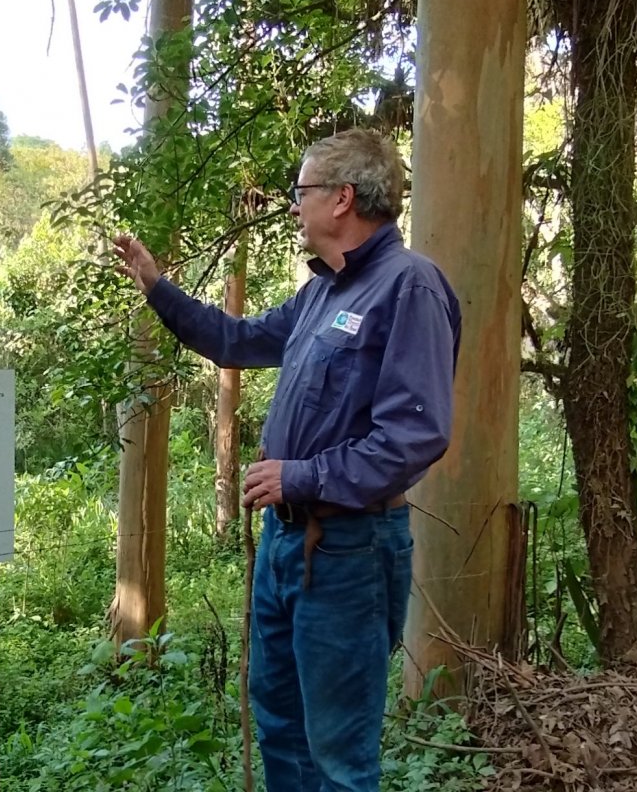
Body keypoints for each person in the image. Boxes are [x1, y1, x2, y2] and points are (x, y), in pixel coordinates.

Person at [113, 128, 460, 792]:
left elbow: (414, 436)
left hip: (348, 553)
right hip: (285, 545)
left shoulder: (409, 288)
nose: (292, 206)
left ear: (342, 199)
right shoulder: (323, 294)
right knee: (279, 725)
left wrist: (300, 475)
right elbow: (238, 341)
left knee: (338, 755)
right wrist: (159, 288)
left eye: (302, 192)